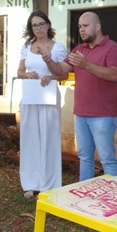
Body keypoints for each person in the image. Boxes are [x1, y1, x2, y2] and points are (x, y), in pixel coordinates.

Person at [43, 11, 117, 181]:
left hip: (103, 115)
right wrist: (49, 61)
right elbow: (61, 71)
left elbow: (114, 75)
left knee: (107, 159)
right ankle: (85, 199)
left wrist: (86, 65)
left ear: (98, 26)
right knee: (84, 158)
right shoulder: (79, 49)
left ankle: (115, 201)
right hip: (81, 114)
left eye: (85, 26)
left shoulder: (112, 48)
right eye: (79, 26)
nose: (81, 30)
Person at [17, 11, 68, 199]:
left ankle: (49, 184)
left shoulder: (58, 48)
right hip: (30, 97)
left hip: (48, 98)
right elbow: (20, 71)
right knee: (30, 139)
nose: (38, 28)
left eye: (41, 24)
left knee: (49, 138)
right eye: (34, 25)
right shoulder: (27, 47)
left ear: (48, 25)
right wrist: (27, 75)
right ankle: (31, 183)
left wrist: (52, 76)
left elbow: (64, 74)